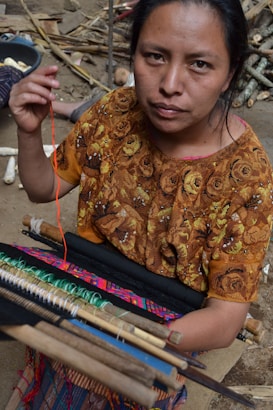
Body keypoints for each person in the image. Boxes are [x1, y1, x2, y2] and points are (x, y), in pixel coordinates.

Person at [8, 0, 273, 408]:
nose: (170, 83)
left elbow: (224, 320)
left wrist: (128, 336)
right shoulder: (114, 113)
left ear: (231, 73)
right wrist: (29, 133)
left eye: (199, 64)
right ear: (135, 54)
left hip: (164, 324)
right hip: (83, 290)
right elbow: (44, 189)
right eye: (155, 56)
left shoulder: (246, 176)